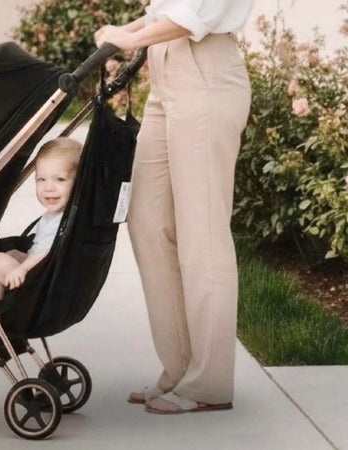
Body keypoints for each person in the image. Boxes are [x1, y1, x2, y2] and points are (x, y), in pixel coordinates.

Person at [95, 0, 254, 414]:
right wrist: (125, 28)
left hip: (206, 75)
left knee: (202, 233)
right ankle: (180, 369)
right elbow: (168, 9)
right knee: (146, 220)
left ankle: (209, 383)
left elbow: (192, 16)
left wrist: (129, 39)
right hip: (168, 80)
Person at [0, 137, 82, 300]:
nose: (48, 187)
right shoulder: (53, 215)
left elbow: (50, 250)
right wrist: (24, 258)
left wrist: (23, 268)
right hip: (40, 270)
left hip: (42, 282)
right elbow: (41, 248)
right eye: (41, 179)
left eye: (60, 179)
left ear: (79, 183)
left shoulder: (66, 220)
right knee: (11, 253)